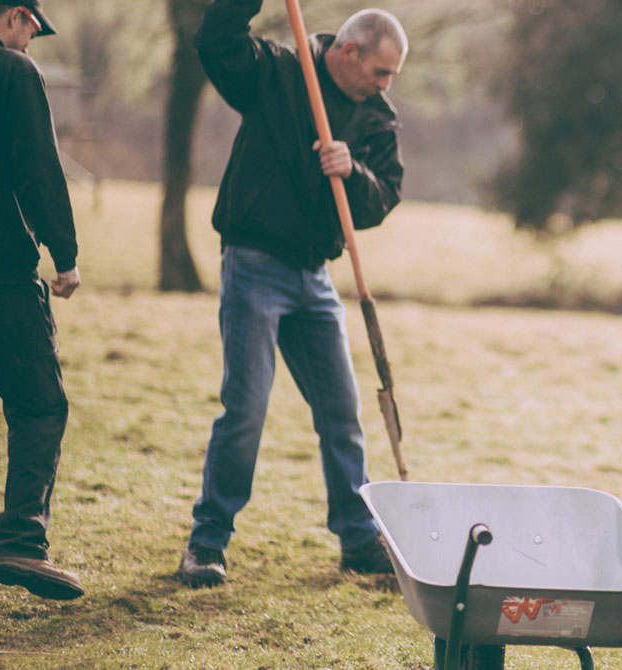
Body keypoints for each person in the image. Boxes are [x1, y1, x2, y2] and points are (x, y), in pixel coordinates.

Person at [177, 0, 406, 588]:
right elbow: (215, 42)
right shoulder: (280, 72)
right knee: (247, 409)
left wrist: (351, 171)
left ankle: (358, 540)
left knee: (341, 414)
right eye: (380, 72)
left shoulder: (375, 118)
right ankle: (207, 543)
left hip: (315, 277)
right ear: (347, 51)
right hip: (254, 264)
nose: (385, 86)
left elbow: (383, 199)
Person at [0, 0, 85, 601]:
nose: (33, 40)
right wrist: (65, 252)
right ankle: (20, 544)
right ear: (14, 16)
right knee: (39, 407)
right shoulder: (13, 72)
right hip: (1, 278)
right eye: (34, 27)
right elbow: (38, 166)